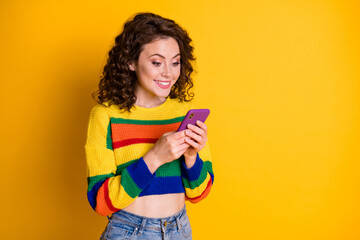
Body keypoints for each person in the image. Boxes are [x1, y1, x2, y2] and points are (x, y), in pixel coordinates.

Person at [84, 12, 214, 240]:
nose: (169, 73)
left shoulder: (184, 113)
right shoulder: (105, 116)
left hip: (180, 229)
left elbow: (200, 193)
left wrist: (192, 158)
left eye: (175, 62)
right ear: (130, 62)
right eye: (156, 62)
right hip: (129, 231)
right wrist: (154, 157)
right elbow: (101, 202)